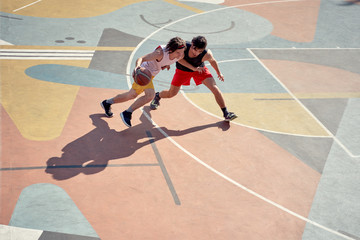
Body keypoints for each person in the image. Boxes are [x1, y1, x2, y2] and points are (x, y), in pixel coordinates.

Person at [101, 37, 186, 127]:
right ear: (171, 49)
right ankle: (127, 113)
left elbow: (169, 59)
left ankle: (107, 103)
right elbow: (141, 59)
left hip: (151, 75)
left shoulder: (180, 54)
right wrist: (137, 67)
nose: (181, 55)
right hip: (144, 73)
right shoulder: (159, 53)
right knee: (150, 95)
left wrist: (165, 65)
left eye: (182, 52)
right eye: (178, 52)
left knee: (131, 95)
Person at [150, 36, 237, 121]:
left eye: (199, 51)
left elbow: (212, 61)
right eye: (194, 49)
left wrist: (219, 72)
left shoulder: (206, 54)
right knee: (171, 93)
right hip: (182, 71)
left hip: (199, 70)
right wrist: (193, 68)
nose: (196, 52)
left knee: (215, 88)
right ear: (192, 44)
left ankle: (226, 113)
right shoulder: (184, 47)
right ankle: (158, 96)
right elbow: (179, 59)